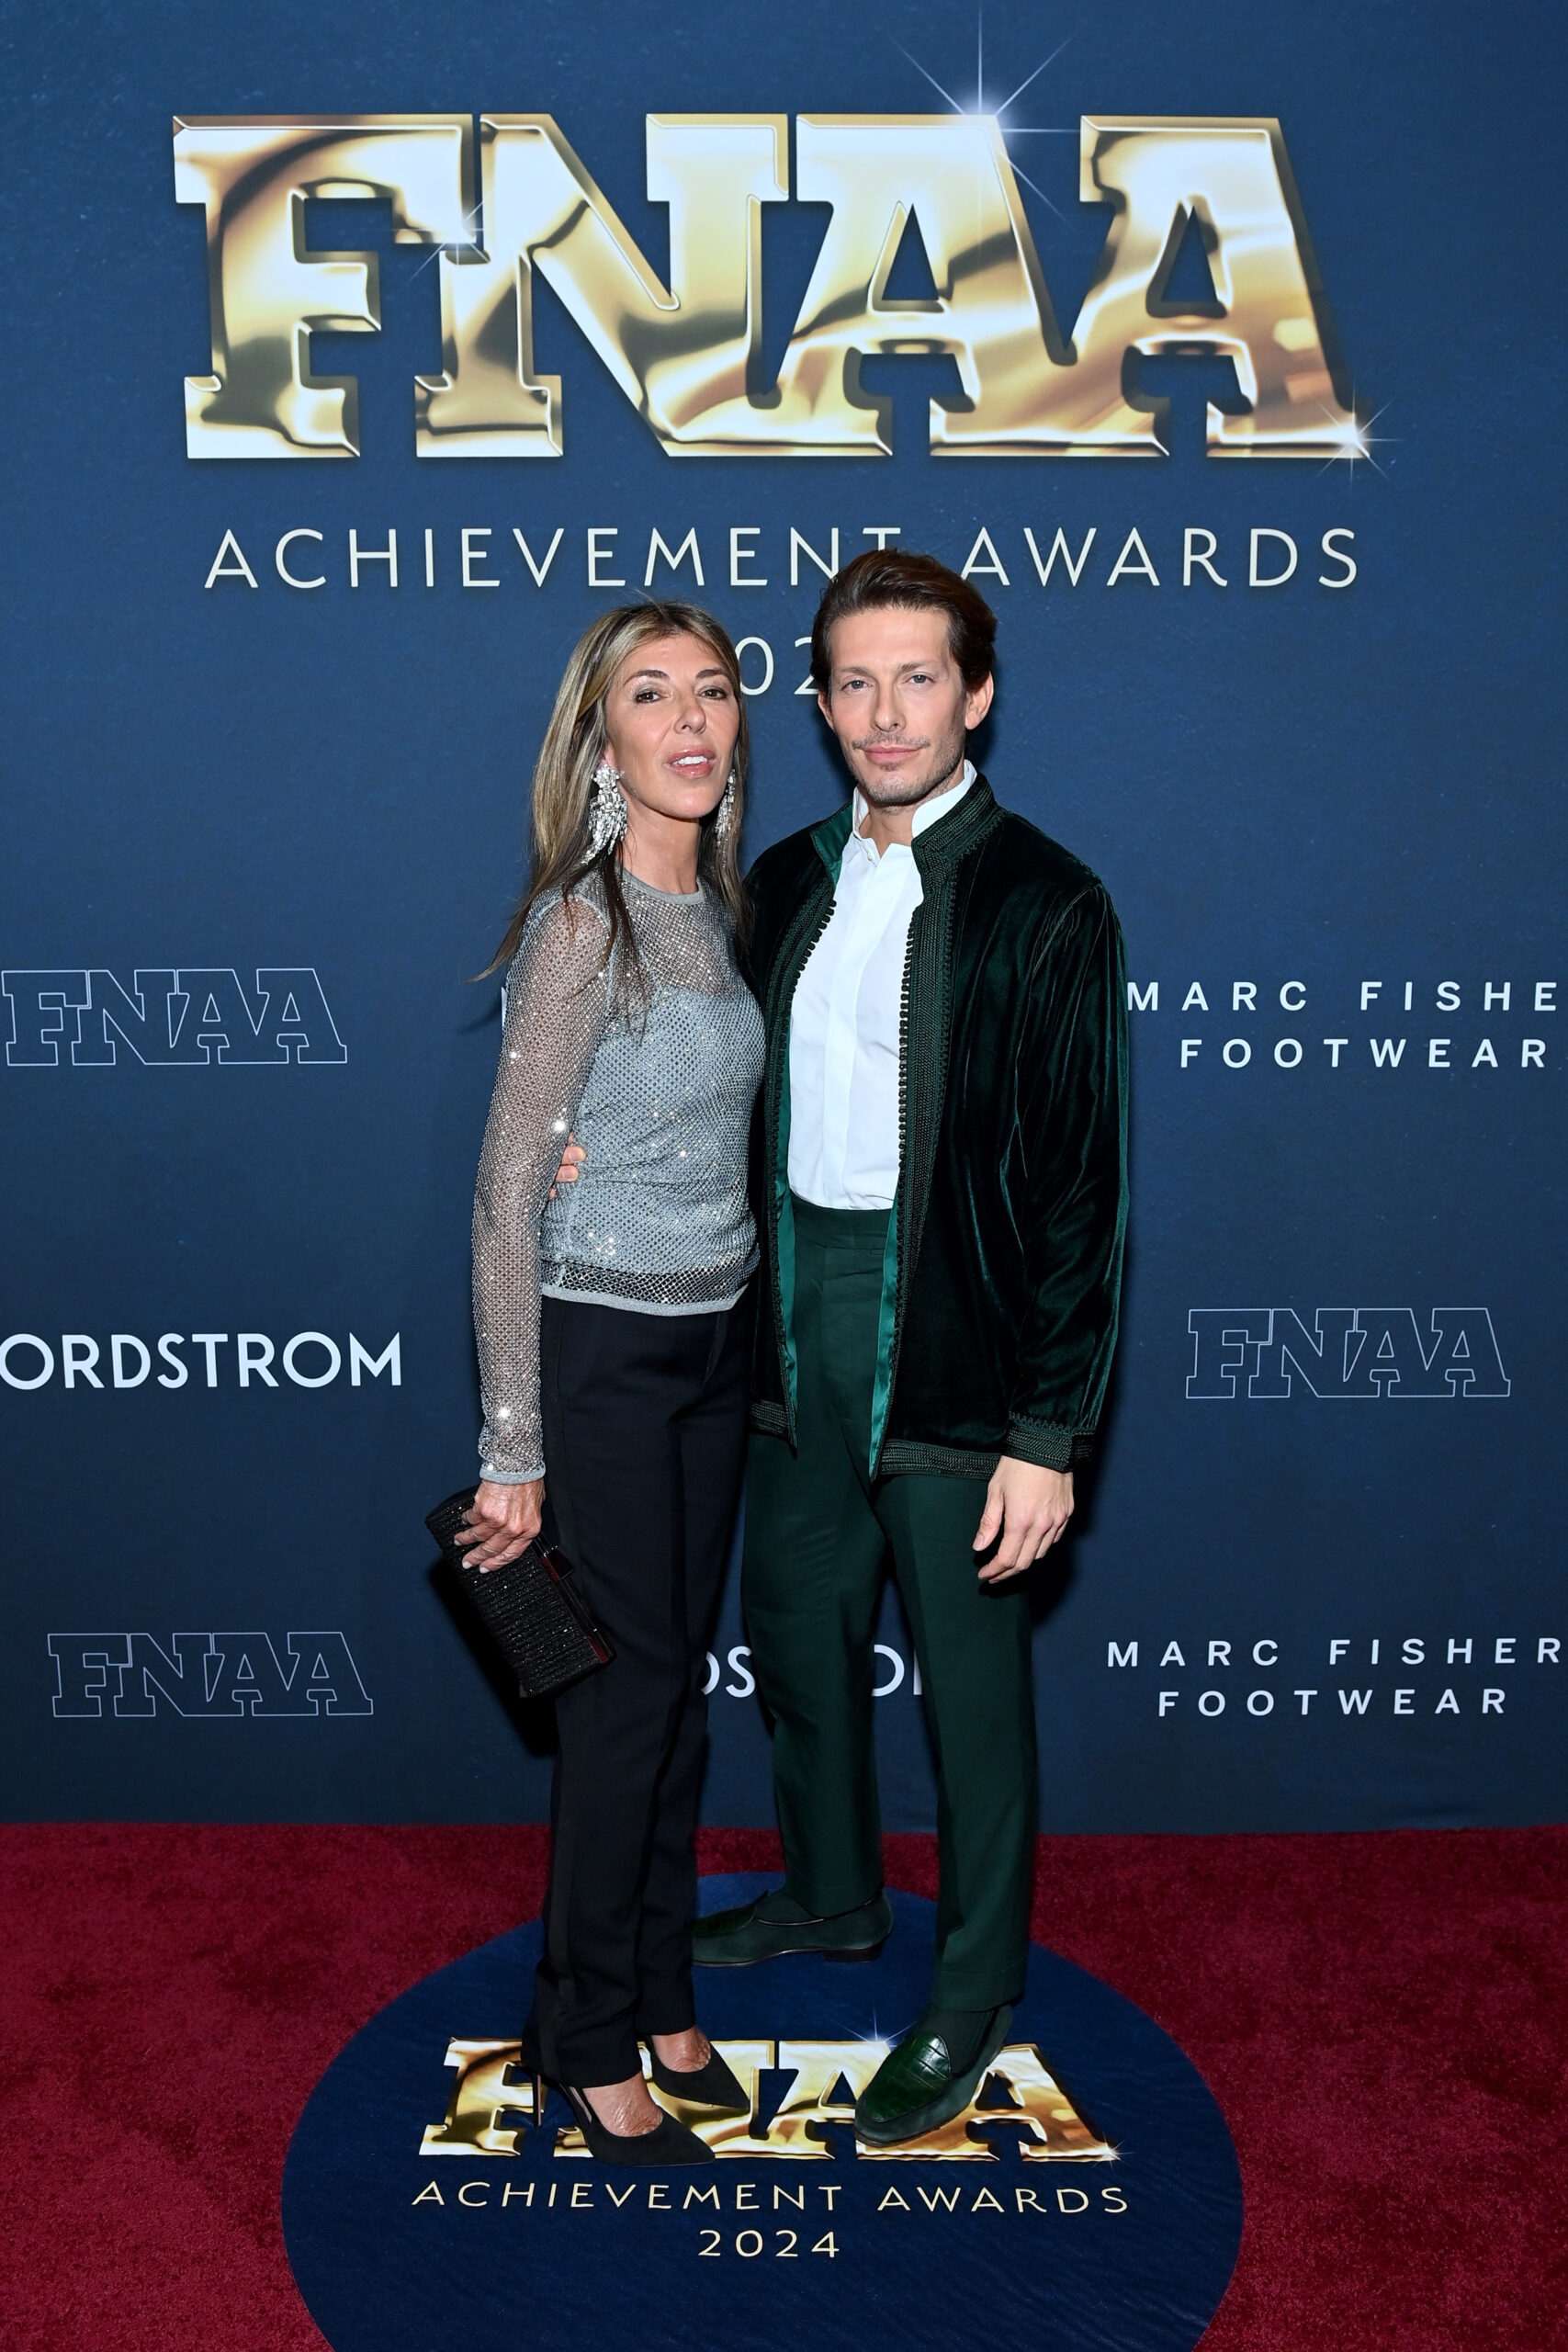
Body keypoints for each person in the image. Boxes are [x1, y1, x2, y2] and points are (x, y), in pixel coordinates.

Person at [693, 549, 1129, 2147]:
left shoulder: (1049, 900)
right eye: (855, 682)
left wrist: (1048, 1432)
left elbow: (1085, 1187)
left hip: (957, 1348)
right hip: (789, 1334)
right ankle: (828, 1896)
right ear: (818, 703)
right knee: (798, 1642)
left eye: (919, 678)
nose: (887, 713)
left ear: (978, 695)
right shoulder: (781, 880)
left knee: (974, 1701)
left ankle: (974, 1991)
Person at [457, 602, 764, 2166]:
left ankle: (659, 1986)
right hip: (602, 1356)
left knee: (673, 1699)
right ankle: (582, 2036)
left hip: (715, 1345)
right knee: (622, 1707)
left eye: (713, 690)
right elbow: (508, 1192)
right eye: (653, 695)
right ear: (602, 740)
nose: (691, 720)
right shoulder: (583, 924)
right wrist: (513, 1445)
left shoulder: (718, 908)